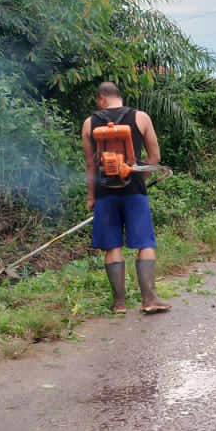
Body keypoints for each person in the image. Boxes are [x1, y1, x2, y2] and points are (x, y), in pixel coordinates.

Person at [83, 82, 169, 314]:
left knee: (112, 246)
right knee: (145, 243)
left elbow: (91, 164)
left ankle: (119, 303)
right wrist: (137, 174)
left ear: (102, 98)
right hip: (135, 192)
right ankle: (149, 299)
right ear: (118, 96)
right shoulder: (141, 117)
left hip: (104, 193)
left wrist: (92, 197)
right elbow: (155, 156)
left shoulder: (90, 123)